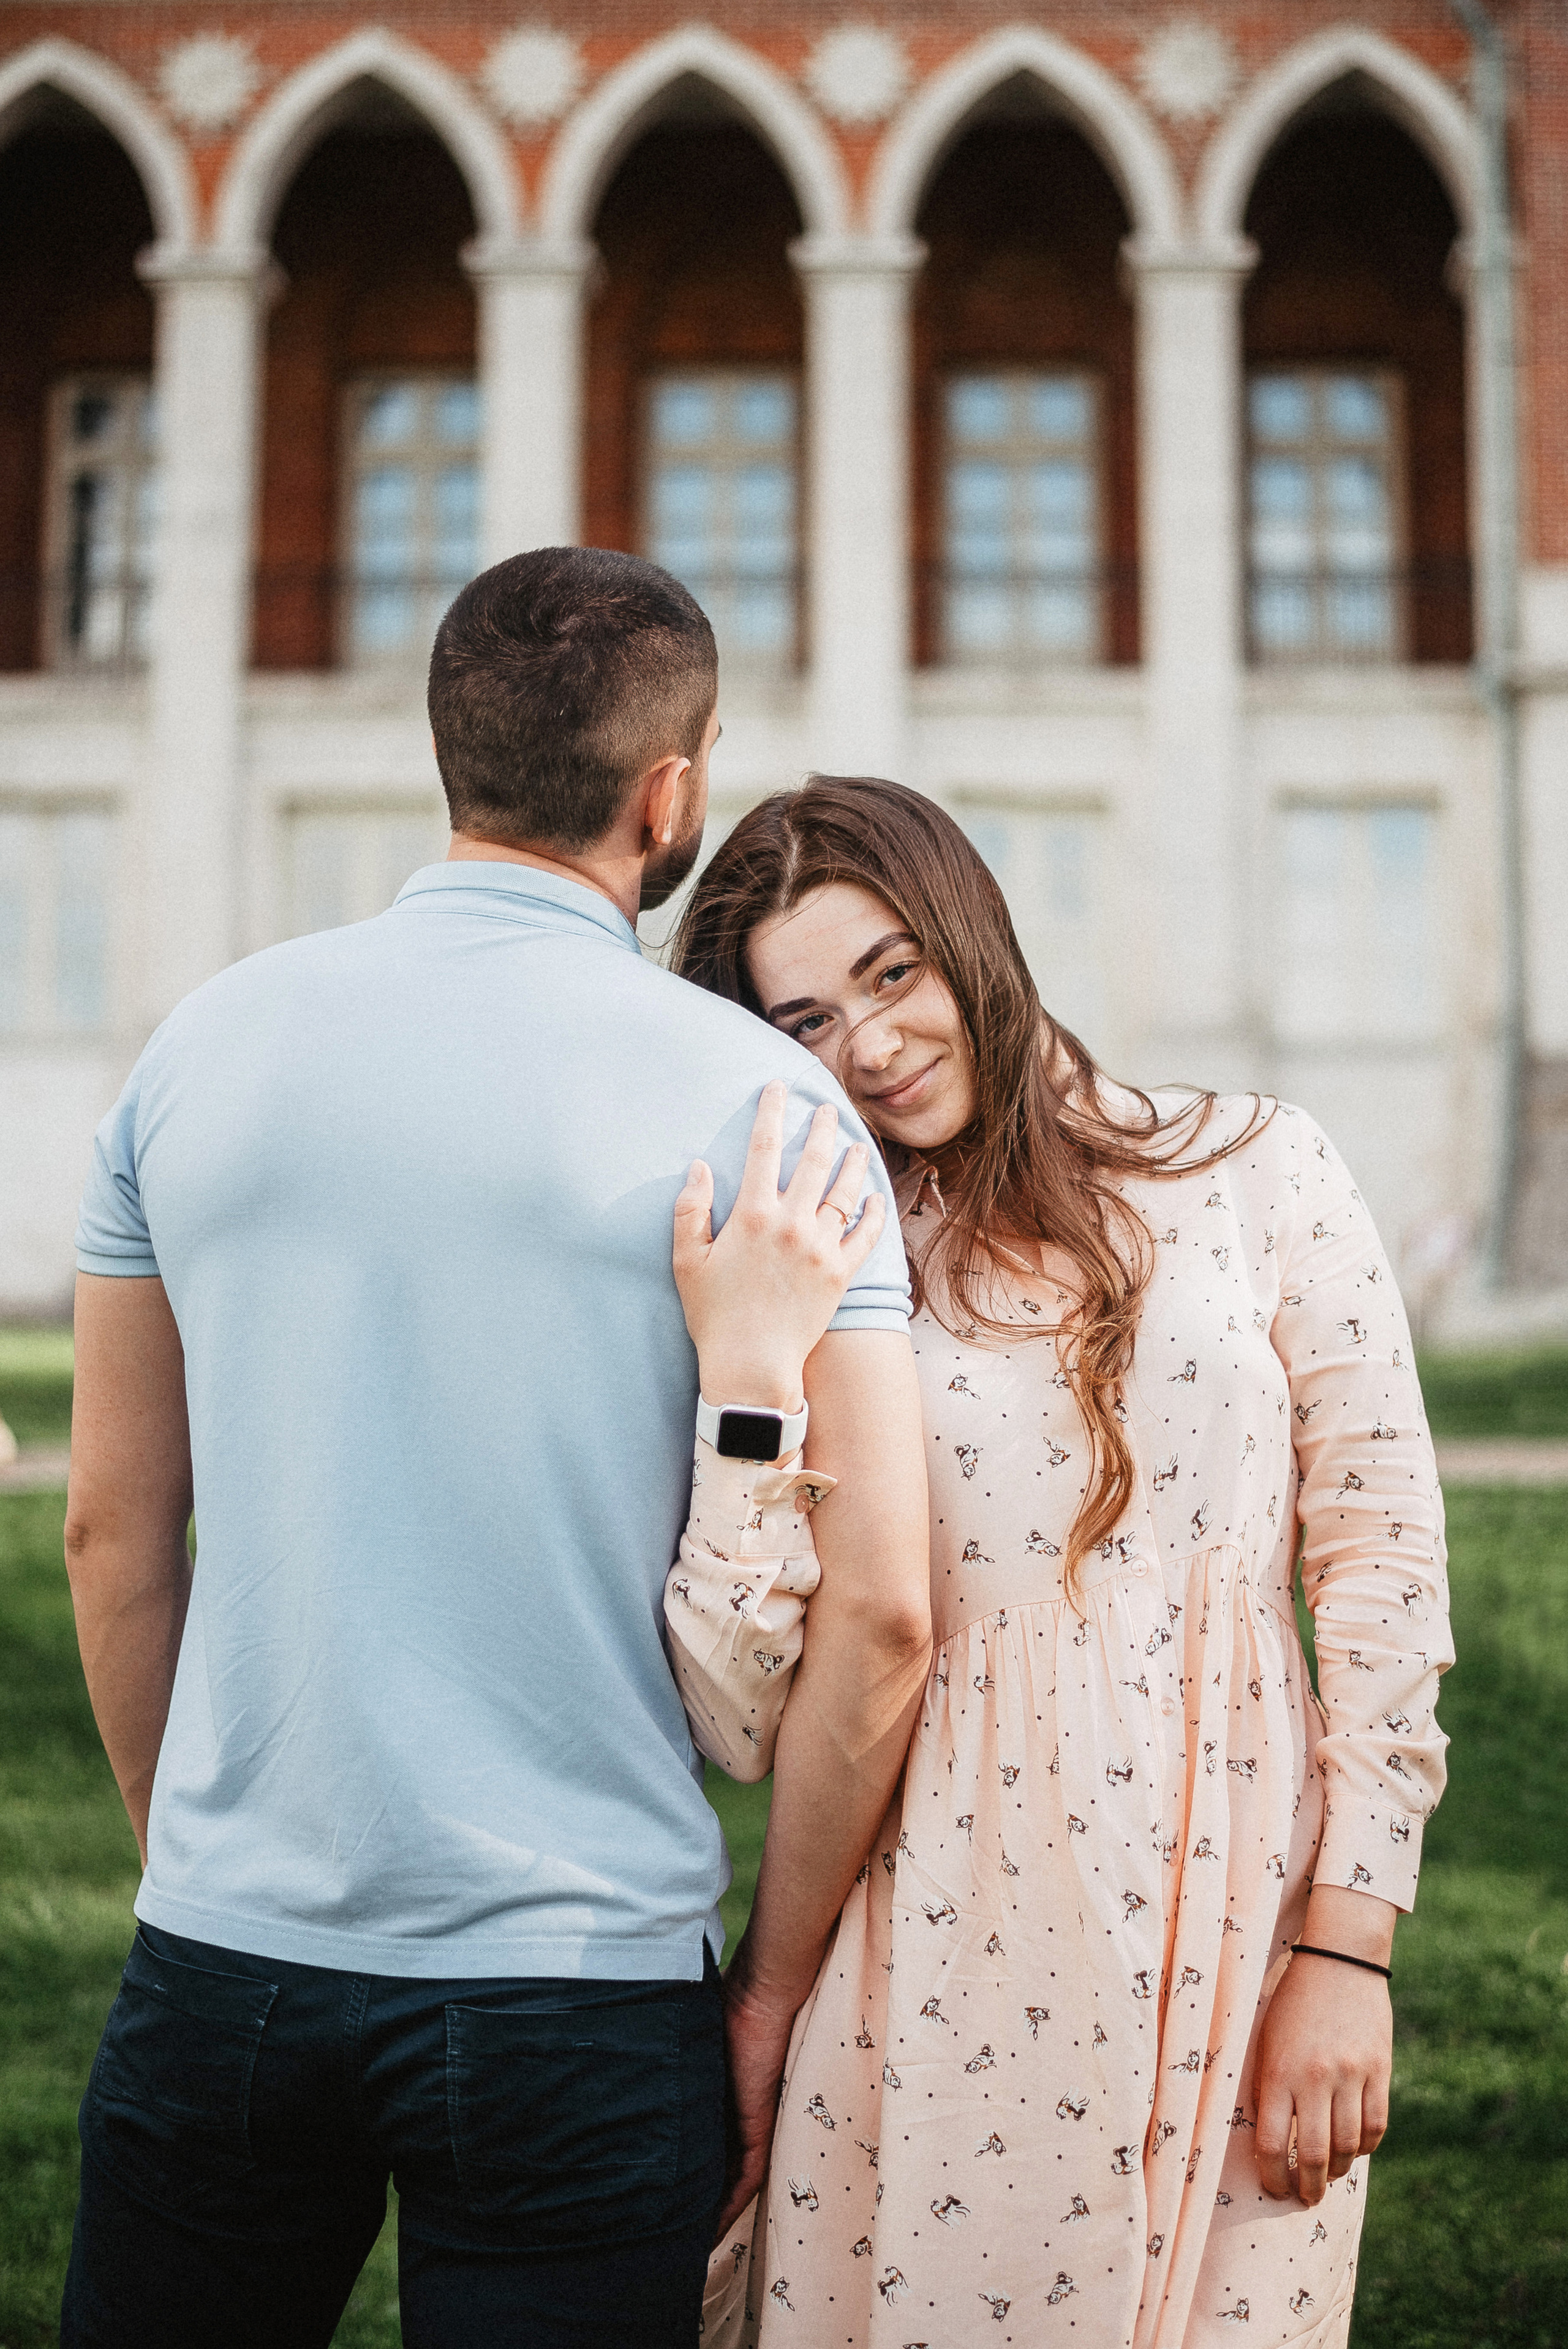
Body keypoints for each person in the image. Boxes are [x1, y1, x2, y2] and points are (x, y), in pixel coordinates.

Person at [58, 556, 931, 2349]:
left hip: (230, 1956)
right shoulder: (765, 1101)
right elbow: (885, 1615)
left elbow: (110, 1532)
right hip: (585, 1993)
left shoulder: (197, 1051)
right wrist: (767, 1993)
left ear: (450, 747)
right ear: (668, 791)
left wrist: (196, 1867)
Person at [663, 775, 1453, 2348]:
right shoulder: (831, 1258)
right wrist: (747, 1371)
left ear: (972, 933)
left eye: (891, 973)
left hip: (1241, 1922)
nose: (868, 1045)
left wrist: (1347, 1941)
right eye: (806, 1020)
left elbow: (1381, 1560)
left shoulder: (1257, 1169)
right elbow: (738, 1713)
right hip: (938, 1943)